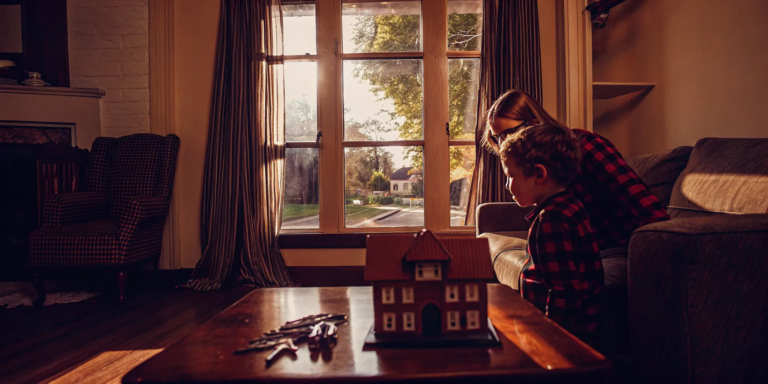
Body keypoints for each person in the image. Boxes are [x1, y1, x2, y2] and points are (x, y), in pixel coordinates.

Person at [483, 89, 669, 250]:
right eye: (497, 138)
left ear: (534, 122)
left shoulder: (585, 145)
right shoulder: (531, 166)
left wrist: (655, 248)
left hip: (614, 247)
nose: (503, 143)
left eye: (509, 133)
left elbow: (645, 205)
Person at [498, 124, 603, 343]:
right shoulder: (571, 205)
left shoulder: (551, 220)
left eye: (510, 176)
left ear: (538, 174)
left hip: (564, 334)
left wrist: (553, 338)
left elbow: (564, 292)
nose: (507, 185)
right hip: (582, 326)